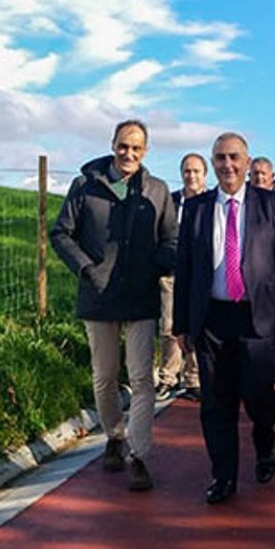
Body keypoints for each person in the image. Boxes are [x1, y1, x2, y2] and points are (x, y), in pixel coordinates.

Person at [173, 132, 275, 504]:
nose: (227, 165)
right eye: (220, 158)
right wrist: (182, 324)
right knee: (216, 403)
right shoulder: (197, 208)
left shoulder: (272, 205)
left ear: (247, 162)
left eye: (234, 157)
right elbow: (186, 269)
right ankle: (223, 476)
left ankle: (265, 447)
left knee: (259, 397)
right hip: (212, 320)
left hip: (257, 320)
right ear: (213, 163)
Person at [51, 119, 177, 491]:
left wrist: (158, 265)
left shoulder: (157, 190)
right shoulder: (84, 186)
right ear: (112, 145)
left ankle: (138, 455)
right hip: (98, 294)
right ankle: (114, 435)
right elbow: (61, 233)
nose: (129, 154)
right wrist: (86, 268)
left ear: (146, 151)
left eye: (137, 148)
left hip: (140, 297)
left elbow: (172, 237)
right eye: (123, 146)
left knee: (141, 378)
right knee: (105, 376)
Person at [156, 153, 207, 403]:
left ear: (204, 175)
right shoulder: (172, 201)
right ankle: (168, 377)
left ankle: (194, 379)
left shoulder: (211, 202)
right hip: (172, 274)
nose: (191, 175)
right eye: (187, 171)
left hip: (200, 276)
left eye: (196, 171)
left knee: (196, 327)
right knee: (168, 327)